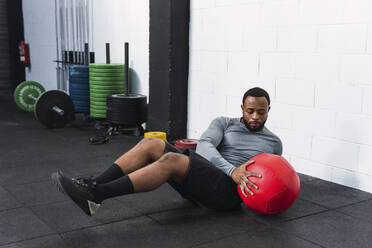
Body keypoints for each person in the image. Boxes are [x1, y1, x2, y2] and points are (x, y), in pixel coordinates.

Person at [51, 87, 282, 216]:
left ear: (268, 110)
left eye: (261, 112)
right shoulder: (224, 123)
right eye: (250, 110)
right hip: (206, 176)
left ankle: (97, 194)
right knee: (151, 142)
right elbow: (204, 146)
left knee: (171, 159)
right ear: (242, 107)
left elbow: (274, 179)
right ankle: (92, 188)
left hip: (227, 194)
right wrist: (232, 170)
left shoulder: (273, 143)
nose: (255, 117)